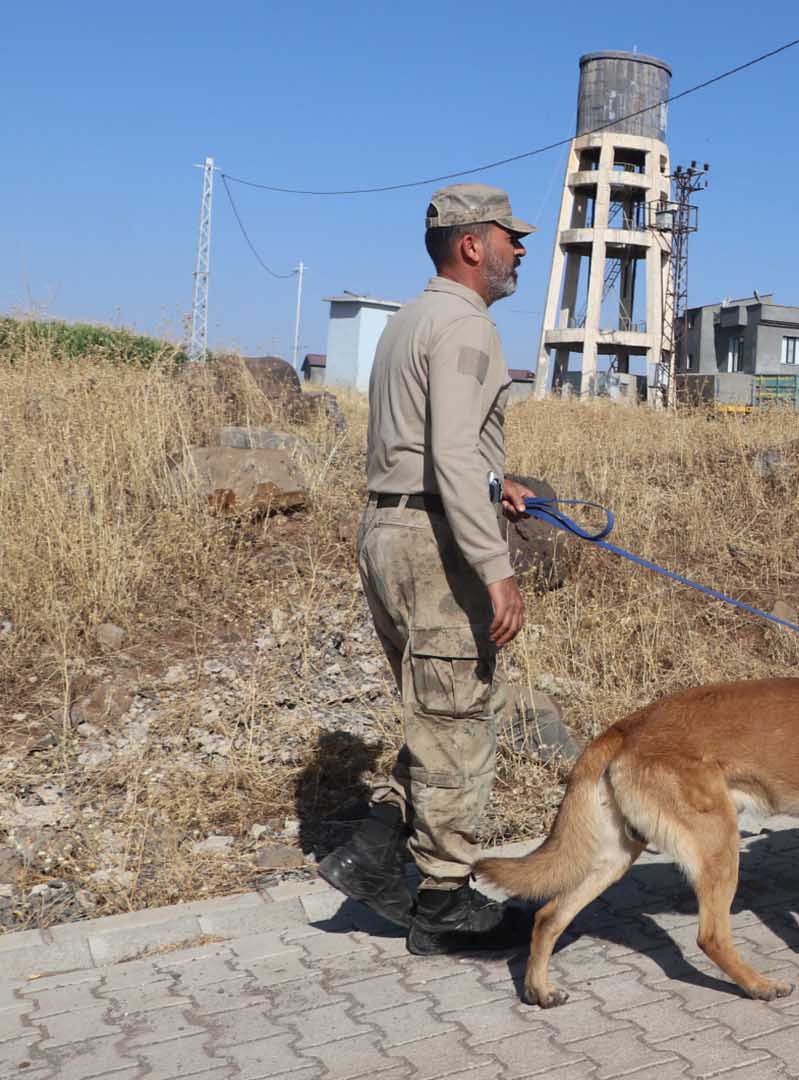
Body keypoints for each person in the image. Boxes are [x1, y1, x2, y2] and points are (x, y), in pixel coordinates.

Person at [318, 183, 541, 955]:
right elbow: (448, 451)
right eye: (510, 238)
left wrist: (494, 481)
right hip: (431, 541)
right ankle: (444, 904)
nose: (521, 249)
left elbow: (430, 443)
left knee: (431, 708)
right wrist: (495, 565)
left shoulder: (412, 318)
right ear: (471, 245)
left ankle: (377, 849)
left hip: (386, 527)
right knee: (457, 720)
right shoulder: (466, 325)